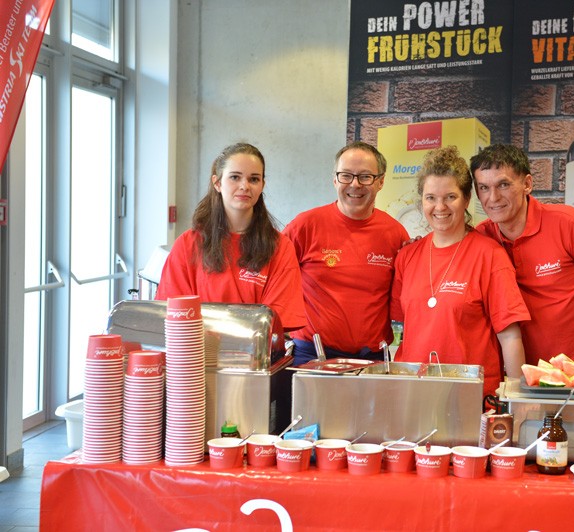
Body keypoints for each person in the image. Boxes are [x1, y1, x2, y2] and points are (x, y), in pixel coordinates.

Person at [470, 143, 574, 367]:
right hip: (524, 375)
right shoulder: (482, 237)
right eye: (484, 188)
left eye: (503, 184)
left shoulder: (569, 223)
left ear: (527, 184)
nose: (493, 197)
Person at [391, 146, 529, 398]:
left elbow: (509, 336)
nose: (440, 206)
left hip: (470, 397)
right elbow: (406, 328)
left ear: (466, 200)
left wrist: (516, 399)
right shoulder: (407, 256)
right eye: (430, 197)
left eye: (450, 197)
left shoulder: (489, 255)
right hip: (412, 393)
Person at [283, 141, 409, 365]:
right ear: (335, 179)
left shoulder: (395, 233)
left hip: (373, 359)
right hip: (312, 355)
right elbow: (273, 279)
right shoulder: (305, 226)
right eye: (346, 176)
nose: (355, 184)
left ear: (380, 181)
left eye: (365, 176)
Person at [156, 142, 306, 331]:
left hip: (256, 349)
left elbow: (277, 321)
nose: (244, 186)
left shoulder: (280, 247)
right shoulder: (187, 245)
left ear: (262, 185)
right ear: (217, 183)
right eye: (235, 177)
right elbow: (173, 314)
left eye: (254, 179)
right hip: (197, 348)